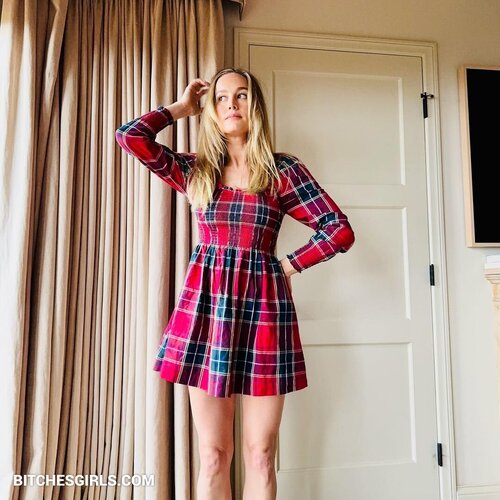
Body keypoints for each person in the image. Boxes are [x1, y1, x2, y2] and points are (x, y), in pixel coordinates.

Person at [115, 67, 355, 500]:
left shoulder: (283, 171)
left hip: (265, 314)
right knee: (213, 455)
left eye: (241, 95)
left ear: (254, 105)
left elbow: (338, 229)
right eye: (221, 98)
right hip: (206, 314)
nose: (231, 104)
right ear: (211, 109)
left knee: (260, 454)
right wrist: (181, 108)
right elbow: (130, 137)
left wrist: (288, 266)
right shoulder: (196, 169)